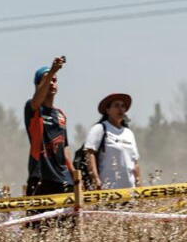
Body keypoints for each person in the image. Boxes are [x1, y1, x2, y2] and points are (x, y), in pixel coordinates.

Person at [24, 57, 74, 223]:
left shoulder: (60, 115)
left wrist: (74, 175)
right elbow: (37, 100)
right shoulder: (32, 108)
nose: (52, 83)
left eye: (54, 80)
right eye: (47, 80)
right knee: (37, 230)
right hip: (41, 176)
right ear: (38, 85)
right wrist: (52, 70)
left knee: (68, 227)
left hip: (62, 178)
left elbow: (64, 148)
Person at [81, 93, 140, 190]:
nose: (120, 109)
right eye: (116, 105)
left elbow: (135, 163)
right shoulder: (100, 128)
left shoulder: (129, 133)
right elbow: (89, 153)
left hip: (130, 192)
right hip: (108, 190)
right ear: (107, 110)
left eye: (123, 106)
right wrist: (96, 180)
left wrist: (139, 187)